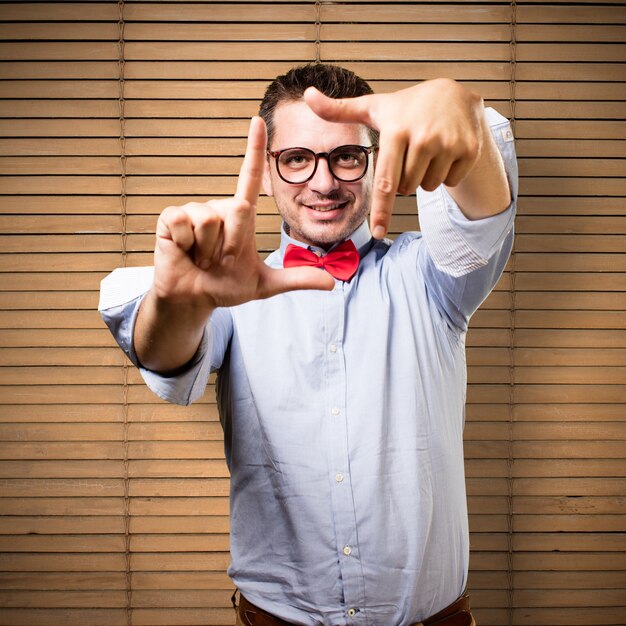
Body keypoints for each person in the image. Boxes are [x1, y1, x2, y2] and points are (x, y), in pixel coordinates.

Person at [99, 63, 517, 626]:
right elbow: (165, 357)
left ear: (376, 163)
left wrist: (465, 125)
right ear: (268, 173)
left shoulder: (432, 276)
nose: (324, 183)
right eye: (297, 159)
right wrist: (180, 303)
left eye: (346, 156)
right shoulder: (224, 288)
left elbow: (481, 221)